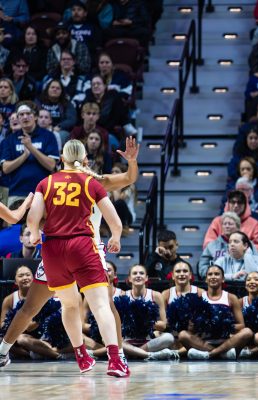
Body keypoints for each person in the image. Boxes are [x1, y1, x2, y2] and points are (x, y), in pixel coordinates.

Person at [0, 137, 139, 370]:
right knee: (96, 304)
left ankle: (98, 354)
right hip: (86, 247)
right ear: (85, 159)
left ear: (61, 159)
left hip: (56, 248)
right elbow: (125, 189)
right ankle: (115, 357)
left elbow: (32, 219)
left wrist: (36, 231)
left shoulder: (54, 182)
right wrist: (115, 235)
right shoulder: (94, 183)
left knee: (69, 305)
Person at [179, 265, 253, 360]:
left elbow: (241, 325)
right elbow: (191, 329)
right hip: (204, 342)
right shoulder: (198, 297)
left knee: (247, 332)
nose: (213, 276)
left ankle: (210, 354)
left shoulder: (231, 297)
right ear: (206, 279)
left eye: (217, 274)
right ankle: (222, 354)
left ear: (223, 279)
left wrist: (223, 325)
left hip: (227, 341)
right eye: (210, 274)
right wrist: (200, 325)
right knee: (183, 335)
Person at [1, 103, 59, 206]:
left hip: (42, 192)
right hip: (16, 192)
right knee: (15, 222)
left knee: (41, 222)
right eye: (21, 114)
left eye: (28, 113)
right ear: (18, 118)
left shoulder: (48, 136)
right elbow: (5, 168)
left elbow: (51, 165)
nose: (25, 117)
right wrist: (24, 156)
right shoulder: (9, 140)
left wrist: (31, 147)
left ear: (35, 116)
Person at [0, 266, 62, 360]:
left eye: (28, 275)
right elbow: (2, 324)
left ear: (34, 279)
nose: (25, 278)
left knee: (22, 339)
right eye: (21, 275)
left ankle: (56, 355)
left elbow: (30, 326)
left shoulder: (44, 296)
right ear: (15, 281)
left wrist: (30, 323)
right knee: (8, 339)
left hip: (43, 335)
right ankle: (32, 353)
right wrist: (14, 326)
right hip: (19, 336)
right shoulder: (9, 299)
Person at [118, 265, 178, 360]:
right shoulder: (123, 295)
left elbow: (163, 325)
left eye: (141, 273)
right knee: (111, 340)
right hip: (127, 341)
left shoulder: (156, 295)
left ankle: (135, 353)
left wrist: (145, 321)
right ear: (129, 278)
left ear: (146, 278)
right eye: (134, 273)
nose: (138, 275)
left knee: (169, 337)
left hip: (148, 341)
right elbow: (118, 323)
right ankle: (149, 355)